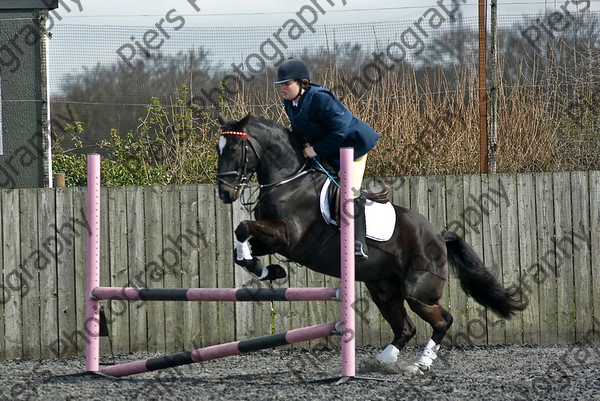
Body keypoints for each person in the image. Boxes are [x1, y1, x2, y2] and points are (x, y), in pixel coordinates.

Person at [275, 58, 380, 260]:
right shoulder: (289, 103)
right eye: (282, 84)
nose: (283, 88)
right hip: (329, 150)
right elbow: (299, 131)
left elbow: (340, 130)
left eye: (287, 84)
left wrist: (316, 149)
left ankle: (358, 243)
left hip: (353, 146)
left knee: (348, 190)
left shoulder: (320, 98)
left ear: (302, 83)